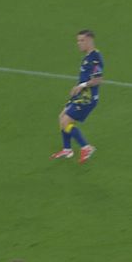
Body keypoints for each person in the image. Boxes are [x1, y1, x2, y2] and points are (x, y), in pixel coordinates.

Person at [50, 30, 104, 164]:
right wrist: (78, 88)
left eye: (82, 40)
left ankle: (86, 147)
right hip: (80, 95)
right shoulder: (87, 57)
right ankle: (67, 150)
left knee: (66, 122)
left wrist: (81, 86)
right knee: (62, 117)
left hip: (87, 98)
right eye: (78, 41)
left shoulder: (95, 58)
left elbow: (98, 80)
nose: (78, 43)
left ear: (89, 40)